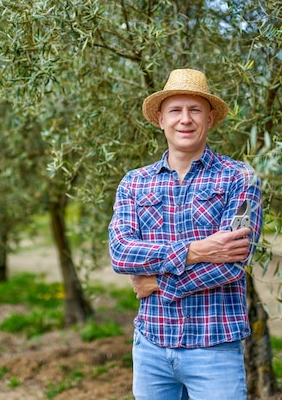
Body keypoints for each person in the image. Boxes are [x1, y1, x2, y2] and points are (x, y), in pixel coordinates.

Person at [108, 68, 262, 400]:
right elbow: (121, 254)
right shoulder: (134, 183)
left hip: (215, 346)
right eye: (176, 110)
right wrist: (197, 250)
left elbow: (232, 263)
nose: (185, 119)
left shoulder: (239, 178)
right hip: (151, 345)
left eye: (194, 110)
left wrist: (157, 282)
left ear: (209, 118)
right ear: (161, 118)